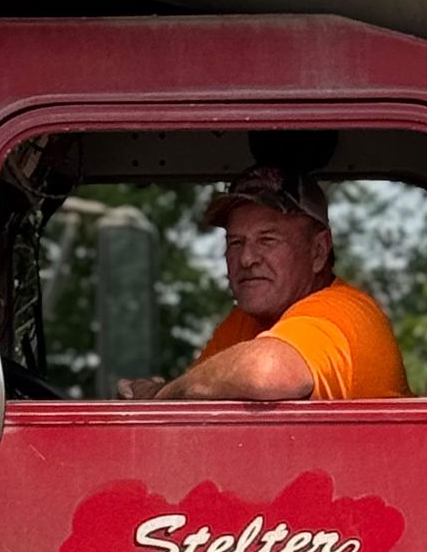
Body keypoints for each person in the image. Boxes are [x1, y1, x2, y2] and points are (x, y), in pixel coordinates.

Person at [119, 169, 410, 402]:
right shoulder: (246, 322)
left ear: (318, 251)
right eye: (236, 242)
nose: (246, 258)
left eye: (268, 240)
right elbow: (201, 391)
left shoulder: (345, 312)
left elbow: (267, 370)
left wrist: (162, 394)